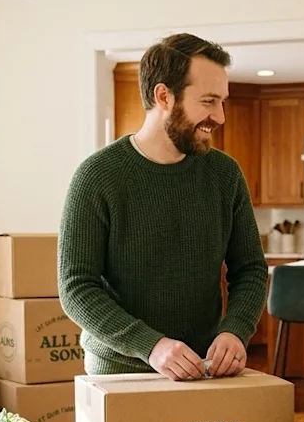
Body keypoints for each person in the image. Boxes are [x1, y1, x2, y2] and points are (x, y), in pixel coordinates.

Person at [58, 33, 268, 381]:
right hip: (119, 374)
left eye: (222, 102)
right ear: (164, 96)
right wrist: (151, 345)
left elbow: (250, 269)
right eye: (208, 101)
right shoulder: (96, 176)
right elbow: (76, 287)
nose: (220, 116)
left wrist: (235, 329)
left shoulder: (224, 174)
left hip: (203, 369)